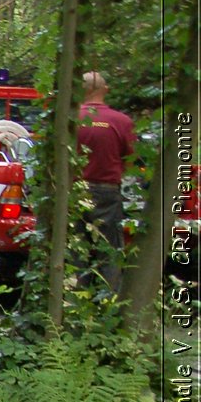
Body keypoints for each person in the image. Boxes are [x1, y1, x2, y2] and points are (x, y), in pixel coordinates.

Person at [75, 71, 137, 294]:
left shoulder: (69, 118)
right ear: (105, 90)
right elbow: (130, 159)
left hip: (74, 192)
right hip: (107, 192)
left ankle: (73, 302)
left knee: (75, 249)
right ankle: (107, 302)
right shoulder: (122, 122)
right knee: (109, 250)